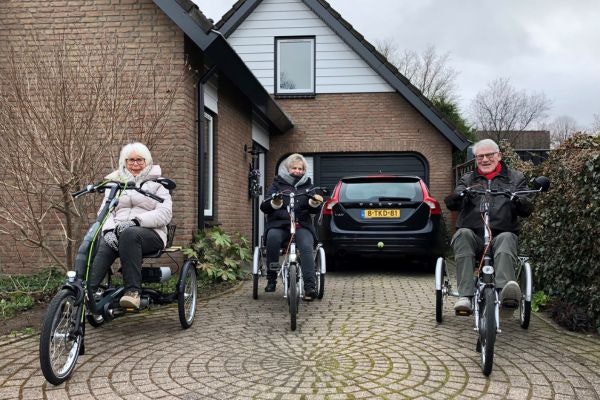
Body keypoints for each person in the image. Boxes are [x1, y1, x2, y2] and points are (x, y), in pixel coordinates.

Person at [444, 139, 533, 313]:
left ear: (498, 156)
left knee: (507, 238)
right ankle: (465, 297)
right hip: (475, 237)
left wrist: (518, 200)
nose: (485, 160)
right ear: (476, 159)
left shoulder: (516, 178)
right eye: (480, 157)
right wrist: (459, 197)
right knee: (462, 234)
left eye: (489, 155)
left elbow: (526, 207)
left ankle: (505, 296)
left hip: (502, 235)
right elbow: (454, 200)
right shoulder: (468, 179)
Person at [89, 142, 172, 309]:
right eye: (131, 160)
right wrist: (109, 230)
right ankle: (87, 291)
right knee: (102, 242)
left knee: (130, 234)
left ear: (147, 161)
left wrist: (136, 221)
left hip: (150, 233)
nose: (135, 164)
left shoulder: (159, 184)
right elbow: (104, 211)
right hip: (118, 232)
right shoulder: (115, 183)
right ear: (124, 162)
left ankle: (133, 292)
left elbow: (165, 213)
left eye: (140, 160)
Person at [259, 153, 323, 301]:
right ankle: (272, 278)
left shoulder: (308, 186)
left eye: (301, 169)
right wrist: (275, 203)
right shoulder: (277, 184)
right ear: (288, 169)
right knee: (272, 239)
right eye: (294, 168)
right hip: (280, 225)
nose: (298, 171)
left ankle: (309, 287)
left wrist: (314, 203)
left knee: (306, 247)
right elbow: (264, 206)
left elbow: (314, 210)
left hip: (302, 226)